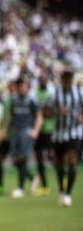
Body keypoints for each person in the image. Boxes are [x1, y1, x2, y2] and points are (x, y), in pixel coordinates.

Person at [49, 71, 82, 207]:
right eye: (66, 81)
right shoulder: (54, 94)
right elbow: (44, 111)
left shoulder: (79, 93)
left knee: (73, 161)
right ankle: (62, 190)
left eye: (70, 81)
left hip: (74, 133)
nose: (68, 84)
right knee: (59, 165)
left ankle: (68, 193)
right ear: (61, 81)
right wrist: (57, 112)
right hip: (58, 134)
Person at [5, 78, 42, 199]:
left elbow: (39, 116)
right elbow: (11, 115)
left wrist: (36, 130)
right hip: (15, 132)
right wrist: (5, 130)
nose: (21, 88)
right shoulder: (14, 100)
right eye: (19, 86)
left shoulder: (32, 100)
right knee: (15, 161)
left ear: (27, 87)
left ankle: (20, 188)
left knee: (22, 159)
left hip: (27, 132)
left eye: (23, 86)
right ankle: (32, 178)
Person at [33, 71, 55, 195]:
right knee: (39, 158)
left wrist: (44, 113)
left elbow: (52, 111)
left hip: (49, 129)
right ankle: (45, 186)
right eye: (40, 79)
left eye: (44, 79)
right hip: (38, 130)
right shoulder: (34, 93)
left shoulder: (51, 93)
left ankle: (62, 178)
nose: (42, 81)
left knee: (52, 156)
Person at [0, 82, 15, 196]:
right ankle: (0, 186)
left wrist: (3, 131)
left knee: (17, 161)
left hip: (11, 136)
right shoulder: (4, 101)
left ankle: (32, 179)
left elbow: (9, 118)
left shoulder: (13, 101)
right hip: (5, 135)